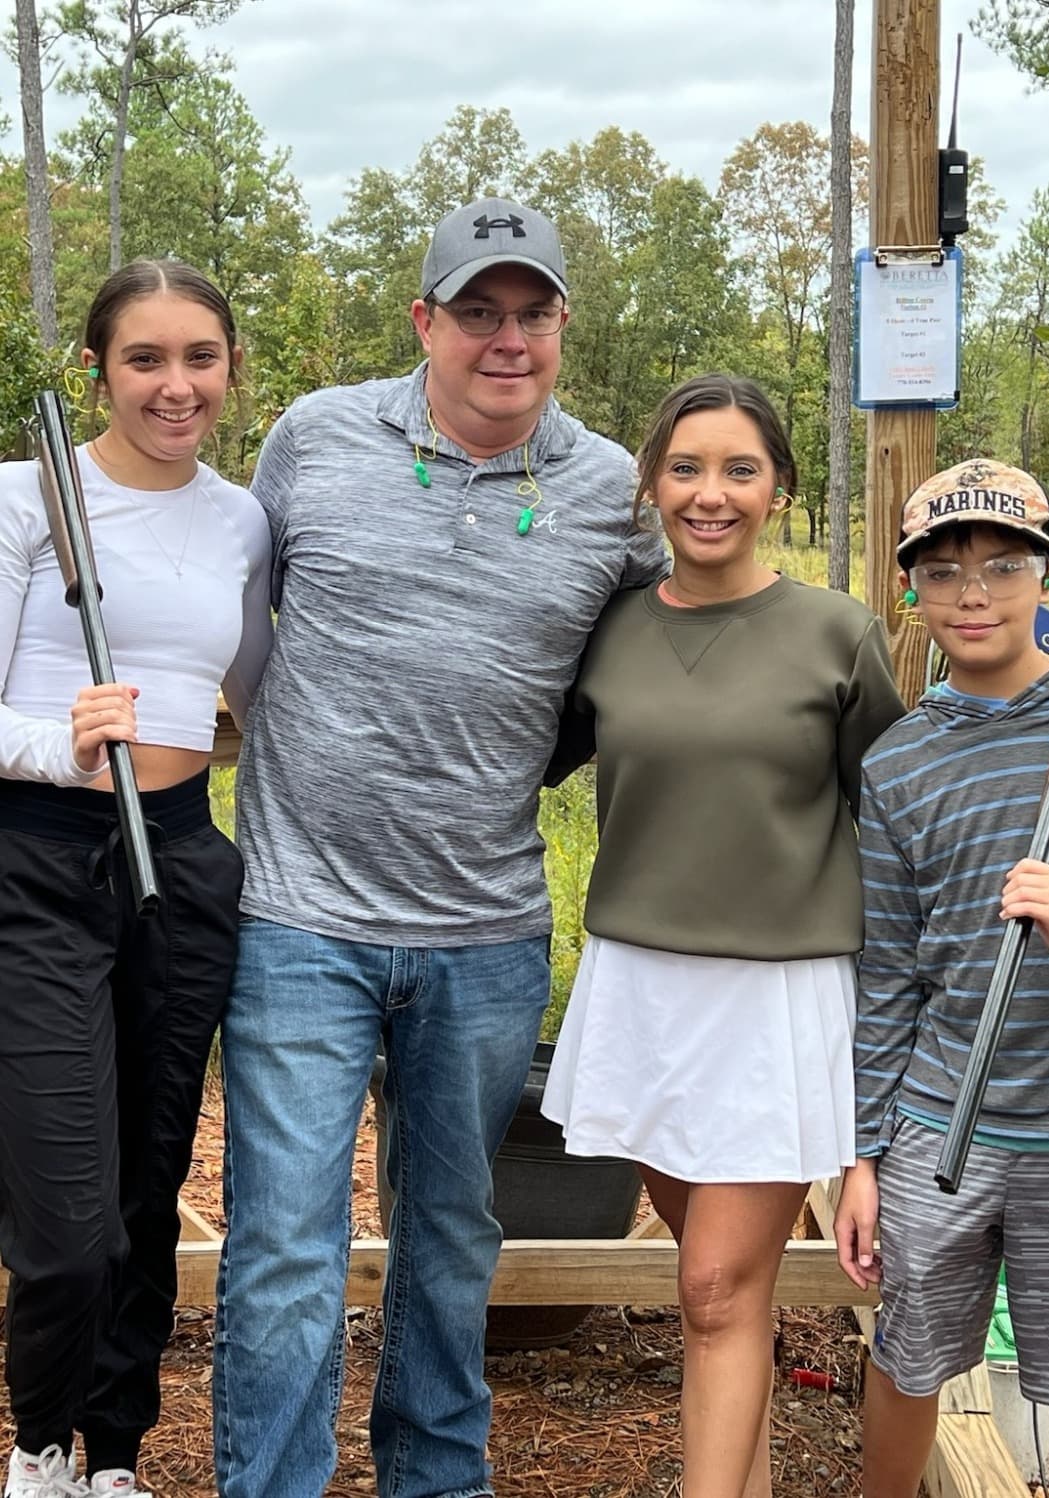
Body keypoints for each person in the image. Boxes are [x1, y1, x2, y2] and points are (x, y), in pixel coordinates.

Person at [212, 197, 668, 1498]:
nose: (505, 337)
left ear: (563, 325)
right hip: (299, 919)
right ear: (425, 319)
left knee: (451, 1241)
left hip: (484, 930)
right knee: (285, 1246)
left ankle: (434, 1477)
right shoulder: (314, 439)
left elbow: (629, 679)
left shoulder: (604, 494)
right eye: (477, 310)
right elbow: (233, 610)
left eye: (531, 312)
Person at [540, 373, 905, 1498]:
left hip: (776, 995)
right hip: (642, 987)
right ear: (650, 484)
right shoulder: (608, 632)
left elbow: (891, 822)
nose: (711, 493)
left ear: (780, 488)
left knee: (709, 1289)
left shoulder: (839, 634)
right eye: (686, 468)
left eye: (740, 468)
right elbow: (509, 754)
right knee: (723, 1295)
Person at [0, 260, 272, 1498]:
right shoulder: (26, 500)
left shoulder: (240, 520)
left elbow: (268, 691)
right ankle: (40, 1443)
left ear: (229, 366)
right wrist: (61, 740)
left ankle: (111, 1454)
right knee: (67, 1219)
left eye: (200, 358)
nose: (177, 385)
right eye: (146, 359)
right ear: (99, 371)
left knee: (150, 1183)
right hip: (39, 864)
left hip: (182, 858)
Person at [833, 459, 1049, 1498]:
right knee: (908, 1353)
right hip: (939, 1126)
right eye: (942, 570)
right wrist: (864, 1154)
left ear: (1048, 571)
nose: (973, 592)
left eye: (1004, 563)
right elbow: (890, 973)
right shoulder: (901, 762)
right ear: (910, 590)